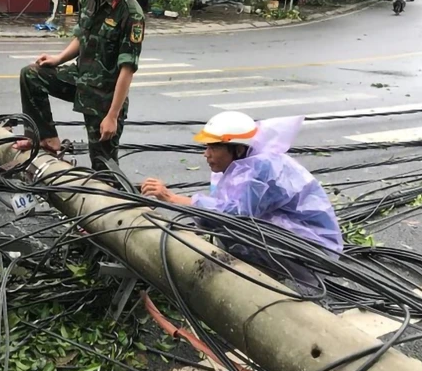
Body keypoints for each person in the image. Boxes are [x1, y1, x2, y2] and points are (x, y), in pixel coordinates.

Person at [141, 112, 343, 277]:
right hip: (293, 236)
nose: (206, 154)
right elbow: (223, 206)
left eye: (214, 147)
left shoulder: (264, 169)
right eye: (206, 147)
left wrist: (171, 198)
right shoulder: (246, 164)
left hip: (313, 249)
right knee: (225, 234)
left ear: (237, 148)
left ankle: (281, 284)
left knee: (235, 238)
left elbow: (236, 216)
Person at [15, 0, 145, 171]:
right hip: (80, 80)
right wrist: (58, 58)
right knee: (31, 75)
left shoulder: (131, 14)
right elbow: (82, 36)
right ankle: (44, 139)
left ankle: (118, 203)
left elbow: (127, 70)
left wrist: (112, 116)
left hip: (104, 100)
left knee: (103, 170)